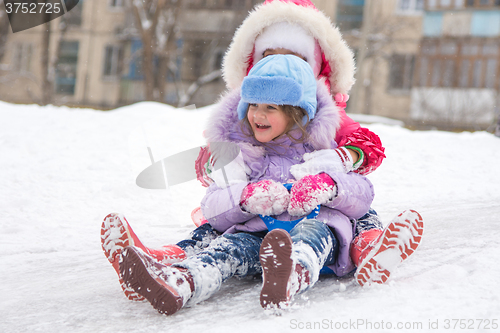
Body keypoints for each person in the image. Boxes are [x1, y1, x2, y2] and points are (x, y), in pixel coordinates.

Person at [101, 0, 424, 303]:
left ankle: (359, 252)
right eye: (269, 57)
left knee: (348, 221)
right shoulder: (243, 138)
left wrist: (340, 165)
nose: (259, 113)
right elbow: (217, 193)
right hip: (256, 224)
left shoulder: (326, 128)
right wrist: (233, 182)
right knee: (220, 238)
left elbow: (363, 166)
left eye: (293, 59)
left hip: (318, 216)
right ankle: (173, 274)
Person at [118, 54, 376, 315]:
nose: (258, 114)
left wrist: (328, 186)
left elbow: (362, 195)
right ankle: (182, 282)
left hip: (318, 226)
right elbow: (212, 207)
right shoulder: (243, 155)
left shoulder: (322, 152)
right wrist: (245, 197)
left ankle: (290, 276)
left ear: (297, 111)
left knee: (311, 236)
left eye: (271, 107)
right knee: (227, 249)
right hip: (259, 234)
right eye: (253, 104)